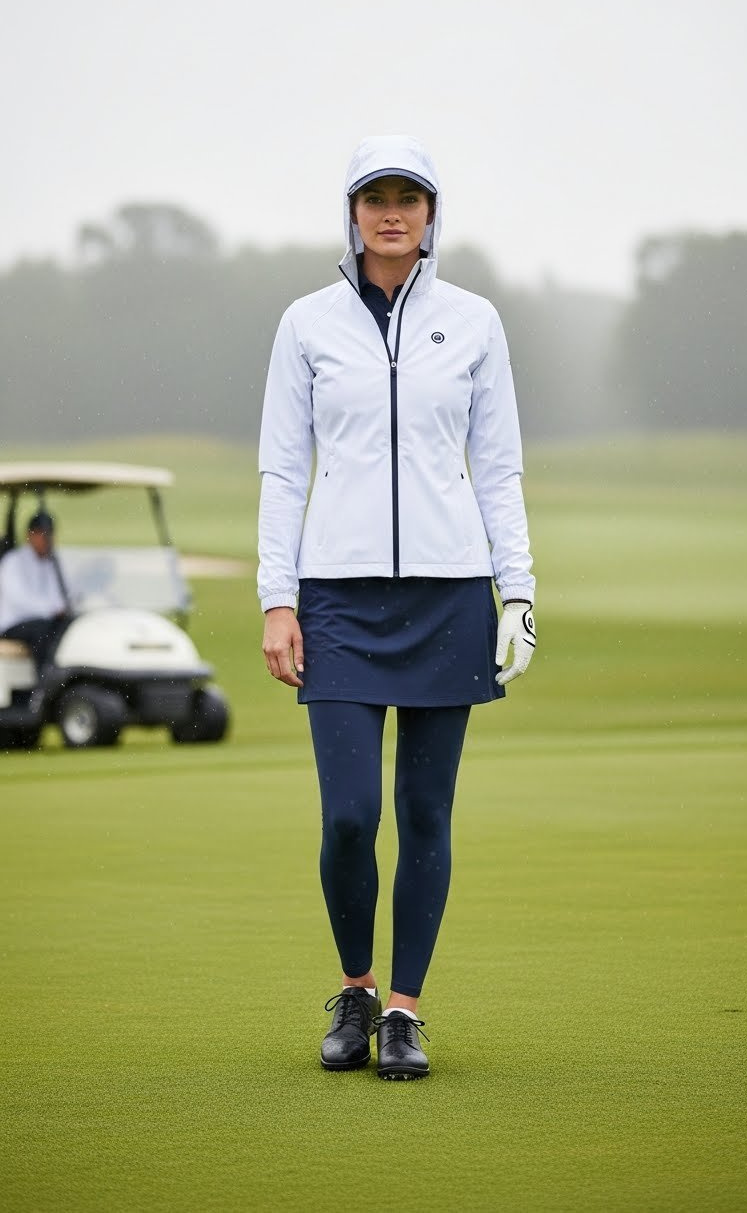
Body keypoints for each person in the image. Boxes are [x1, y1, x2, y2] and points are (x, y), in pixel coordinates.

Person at [258, 134, 536, 1080]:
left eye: (407, 198)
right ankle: (356, 989)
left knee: (425, 809)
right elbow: (283, 467)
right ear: (352, 213)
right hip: (335, 595)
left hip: (450, 593)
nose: (391, 212)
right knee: (349, 815)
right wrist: (276, 599)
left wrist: (519, 590)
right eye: (374, 196)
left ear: (429, 216)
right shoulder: (306, 324)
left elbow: (497, 466)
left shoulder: (475, 320)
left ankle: (405, 1014)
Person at [0, 512, 71, 673]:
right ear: (30, 535)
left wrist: (62, 608)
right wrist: (52, 609)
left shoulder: (53, 562)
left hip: (44, 620)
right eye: (42, 534)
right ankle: (44, 683)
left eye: (50, 534)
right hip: (15, 623)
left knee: (68, 628)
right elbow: (19, 599)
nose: (47, 540)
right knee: (44, 633)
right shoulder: (13, 561)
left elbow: (61, 593)